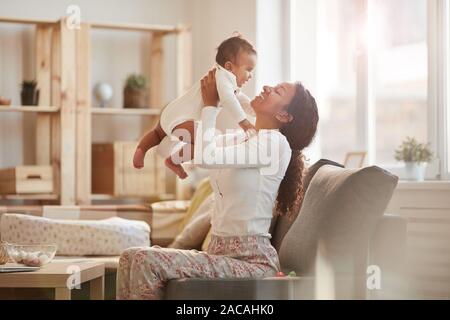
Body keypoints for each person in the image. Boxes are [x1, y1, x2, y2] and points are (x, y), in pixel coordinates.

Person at [117, 69, 319, 300]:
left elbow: (208, 156)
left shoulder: (275, 144)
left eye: (277, 91)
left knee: (145, 260)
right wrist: (177, 151)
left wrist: (210, 104)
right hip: (219, 253)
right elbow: (201, 146)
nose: (267, 88)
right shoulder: (243, 138)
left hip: (252, 262)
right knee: (129, 257)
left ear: (285, 116)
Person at [133, 35, 257, 179]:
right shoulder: (224, 78)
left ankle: (140, 151)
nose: (250, 76)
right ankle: (173, 160)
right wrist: (245, 123)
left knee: (157, 134)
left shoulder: (223, 79)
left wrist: (256, 112)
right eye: (249, 69)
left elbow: (242, 101)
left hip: (172, 112)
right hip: (183, 119)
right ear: (229, 66)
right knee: (204, 142)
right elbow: (230, 100)